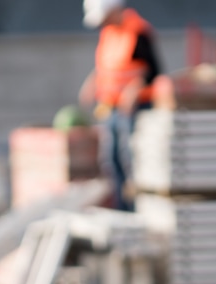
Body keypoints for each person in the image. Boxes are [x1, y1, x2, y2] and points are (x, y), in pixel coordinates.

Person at [78, 0, 161, 212]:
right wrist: (92, 81)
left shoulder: (138, 31)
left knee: (131, 160)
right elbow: (108, 67)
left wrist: (134, 91)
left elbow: (152, 71)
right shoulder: (109, 32)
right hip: (112, 108)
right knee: (112, 160)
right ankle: (123, 209)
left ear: (113, 10)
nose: (102, 23)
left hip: (136, 108)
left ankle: (137, 210)